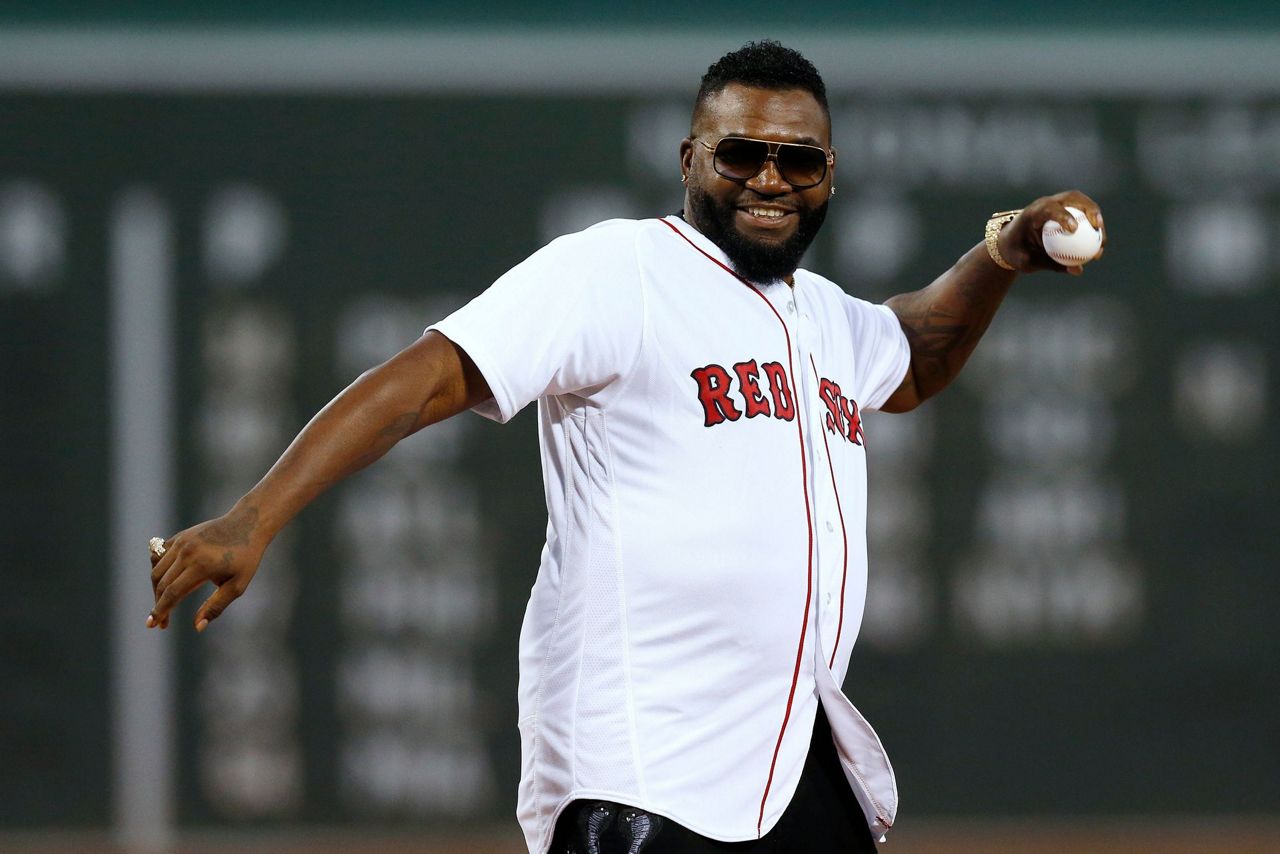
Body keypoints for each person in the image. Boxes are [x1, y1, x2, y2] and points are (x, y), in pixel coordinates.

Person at [146, 40, 1105, 854]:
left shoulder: (827, 319)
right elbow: (424, 379)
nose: (770, 177)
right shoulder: (620, 272)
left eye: (797, 160)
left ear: (829, 176)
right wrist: (253, 514)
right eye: (742, 154)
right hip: (641, 769)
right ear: (691, 159)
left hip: (792, 755)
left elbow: (917, 356)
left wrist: (1004, 251)